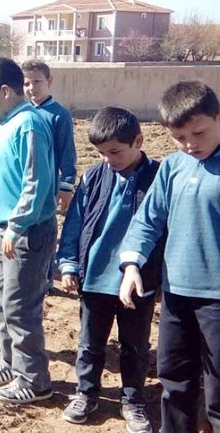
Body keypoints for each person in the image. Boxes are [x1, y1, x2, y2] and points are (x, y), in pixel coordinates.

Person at [120, 81, 220, 433]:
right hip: (177, 292)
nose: (190, 144)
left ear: (218, 118)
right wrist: (132, 264)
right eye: (180, 137)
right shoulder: (174, 167)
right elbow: (148, 220)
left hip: (217, 299)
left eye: (198, 132)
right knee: (174, 378)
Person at [56, 107, 162, 431]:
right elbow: (75, 223)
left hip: (137, 282)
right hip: (95, 278)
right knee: (90, 343)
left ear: (138, 141)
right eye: (102, 153)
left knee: (135, 345)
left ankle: (133, 401)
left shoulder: (158, 178)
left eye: (115, 152)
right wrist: (69, 263)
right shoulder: (92, 176)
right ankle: (86, 394)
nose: (108, 159)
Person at [0, 57, 57, 404]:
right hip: (3, 227)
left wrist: (17, 225)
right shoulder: (7, 122)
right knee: (3, 301)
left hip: (25, 231)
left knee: (21, 306)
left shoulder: (30, 125)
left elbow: (36, 183)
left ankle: (34, 380)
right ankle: (11, 363)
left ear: (5, 91)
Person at [21, 60, 77, 213]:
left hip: (47, 184)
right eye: (26, 84)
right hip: (22, 182)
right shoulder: (21, 113)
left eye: (37, 82)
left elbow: (67, 151)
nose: (32, 88)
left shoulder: (59, 115)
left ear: (49, 81)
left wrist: (66, 184)